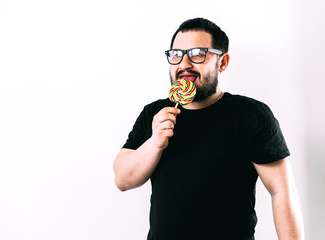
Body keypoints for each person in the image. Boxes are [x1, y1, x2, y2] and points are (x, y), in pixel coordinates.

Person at [113, 18, 304, 240]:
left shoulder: (251, 115)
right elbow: (122, 179)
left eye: (197, 54)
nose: (184, 64)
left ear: (222, 63)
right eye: (176, 55)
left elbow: (282, 192)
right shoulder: (154, 114)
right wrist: (154, 142)